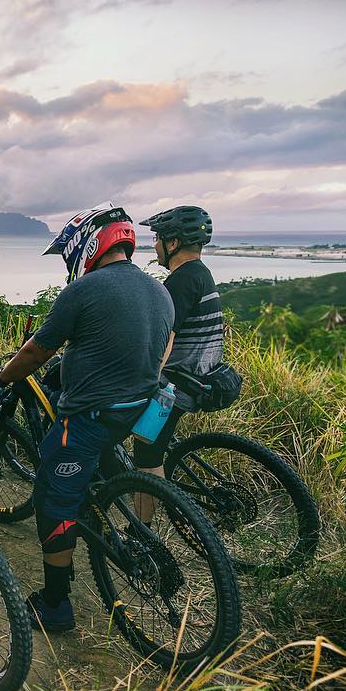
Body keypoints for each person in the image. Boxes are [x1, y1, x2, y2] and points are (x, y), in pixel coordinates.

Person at [0, 202, 173, 631]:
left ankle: (55, 605)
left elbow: (37, 349)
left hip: (91, 417)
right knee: (90, 472)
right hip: (137, 409)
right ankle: (102, 500)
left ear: (88, 244)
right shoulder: (158, 290)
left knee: (53, 501)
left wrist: (4, 375)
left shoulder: (83, 290)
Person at [132, 206, 222, 484]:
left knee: (147, 457)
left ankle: (142, 527)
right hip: (197, 377)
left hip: (176, 385)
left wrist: (146, 382)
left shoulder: (181, 281)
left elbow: (165, 339)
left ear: (173, 243)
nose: (154, 245)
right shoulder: (200, 273)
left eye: (158, 238)